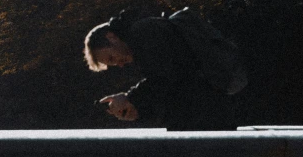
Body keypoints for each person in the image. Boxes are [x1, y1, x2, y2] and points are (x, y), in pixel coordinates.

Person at [84, 7, 245, 130]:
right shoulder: (144, 33)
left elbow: (166, 79)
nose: (119, 64)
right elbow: (170, 86)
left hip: (206, 117)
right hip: (206, 114)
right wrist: (138, 109)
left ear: (111, 37)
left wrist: (129, 98)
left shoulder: (143, 33)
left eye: (112, 58)